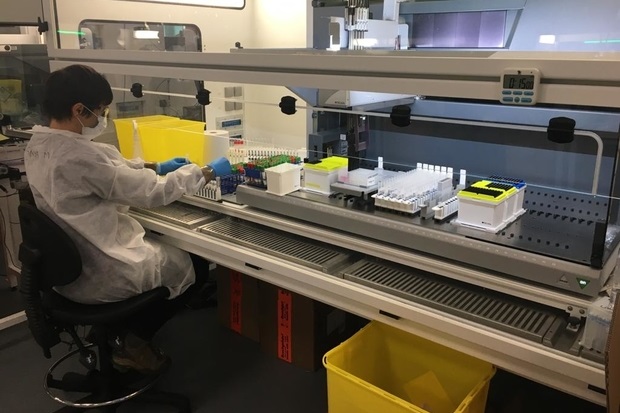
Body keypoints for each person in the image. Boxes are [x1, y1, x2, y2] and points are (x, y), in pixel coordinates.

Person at [24, 64, 231, 373]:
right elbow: (150, 193)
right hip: (99, 269)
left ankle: (113, 333)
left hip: (66, 272)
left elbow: (108, 168)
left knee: (173, 257)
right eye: (100, 112)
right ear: (79, 110)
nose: (102, 118)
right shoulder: (78, 156)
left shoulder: (40, 145)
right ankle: (132, 341)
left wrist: (155, 164)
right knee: (194, 267)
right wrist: (206, 171)